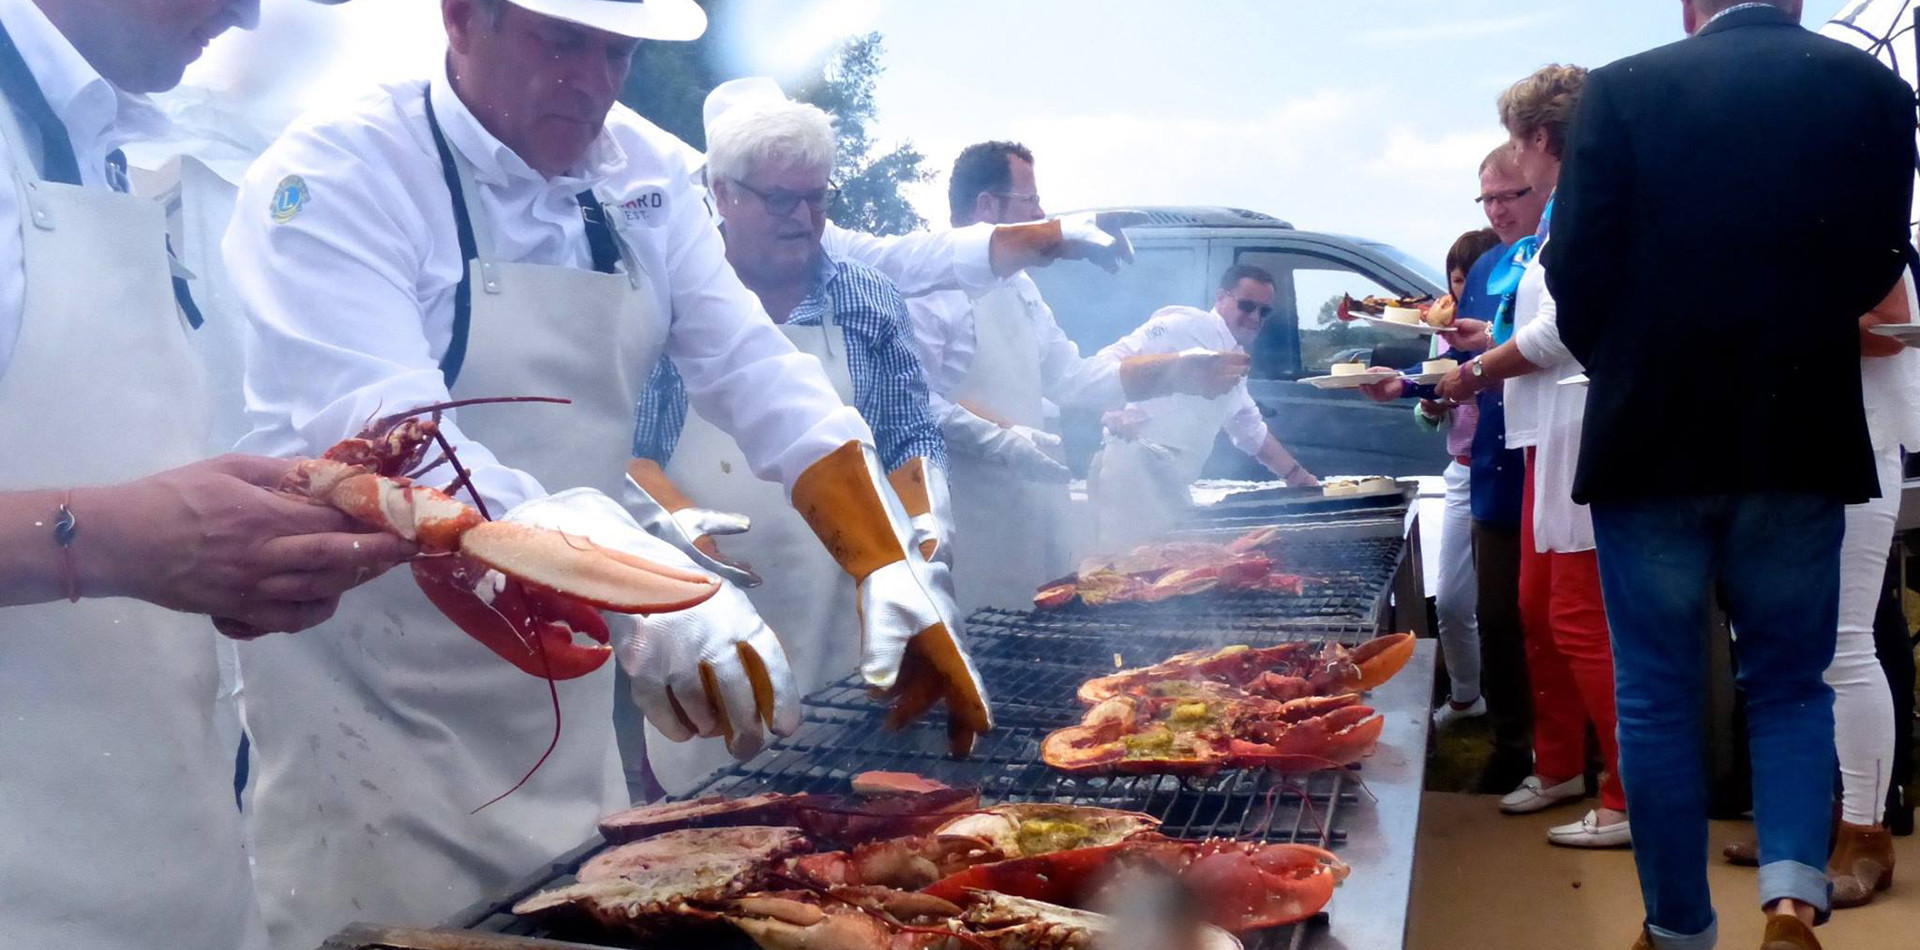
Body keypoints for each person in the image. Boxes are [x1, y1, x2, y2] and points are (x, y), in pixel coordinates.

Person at [219, 2, 992, 946]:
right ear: (462, 18)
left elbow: (753, 365)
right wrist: (648, 580)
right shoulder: (339, 172)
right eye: (561, 41)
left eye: (616, 51)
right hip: (377, 696)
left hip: (561, 681)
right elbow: (393, 442)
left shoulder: (649, 173)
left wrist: (885, 559)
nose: (590, 80)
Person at [0, 1, 416, 948]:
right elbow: (120, 523)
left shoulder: (92, 142)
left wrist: (252, 533)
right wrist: (108, 538)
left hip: (178, 876)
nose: (248, 12)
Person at [1546, 1, 1915, 946]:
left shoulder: (1620, 90)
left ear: (1688, 6)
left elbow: (1577, 267)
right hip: (1798, 430)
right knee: (1792, 682)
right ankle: (1792, 899)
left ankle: (1678, 928)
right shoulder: (1873, 88)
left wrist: (1630, 361)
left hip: (1650, 436)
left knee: (1657, 693)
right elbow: (1873, 259)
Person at [631, 90, 947, 794]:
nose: (804, 220)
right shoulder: (664, 298)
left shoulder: (866, 299)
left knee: (851, 806)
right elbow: (632, 454)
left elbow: (908, 438)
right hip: (710, 605)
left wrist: (920, 536)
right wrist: (687, 538)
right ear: (720, 192)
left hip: (847, 602)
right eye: (780, 200)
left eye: (816, 199)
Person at [889, 140, 1251, 609]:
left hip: (1029, 508)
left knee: (1033, 637)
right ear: (986, 206)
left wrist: (1177, 371)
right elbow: (912, 400)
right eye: (1031, 201)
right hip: (965, 517)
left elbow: (1073, 379)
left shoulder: (1020, 286)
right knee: (981, 640)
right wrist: (998, 438)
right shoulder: (928, 288)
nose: (1043, 213)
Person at [1439, 64, 1630, 851]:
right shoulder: (1559, 217)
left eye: (1517, 144)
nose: (1509, 165)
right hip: (1542, 436)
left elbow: (1563, 331)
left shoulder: (1585, 208)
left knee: (1583, 622)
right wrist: (1483, 349)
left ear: (1541, 139)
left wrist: (1476, 370)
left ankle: (1625, 794)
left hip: (1582, 435)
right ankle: (1557, 765)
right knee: (1536, 614)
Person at [1361, 225, 1499, 729]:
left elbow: (1469, 365)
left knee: (1516, 607)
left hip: (1512, 476)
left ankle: (1526, 716)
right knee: (1455, 601)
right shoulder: (1447, 333)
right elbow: (1437, 379)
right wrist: (1417, 397)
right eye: (1457, 279)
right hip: (1463, 473)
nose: (1460, 290)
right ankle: (1467, 696)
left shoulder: (1505, 325)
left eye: (1471, 278)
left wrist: (1410, 385)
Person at [1089, 264, 1318, 551]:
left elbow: (1249, 429)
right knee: (1125, 570)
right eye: (1246, 306)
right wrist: (1113, 410)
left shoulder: (1233, 356)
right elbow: (1107, 361)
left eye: (1264, 311)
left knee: (1175, 565)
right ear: (1221, 298)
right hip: (1130, 472)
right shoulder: (1184, 324)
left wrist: (1298, 477)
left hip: (1171, 482)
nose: (1255, 318)